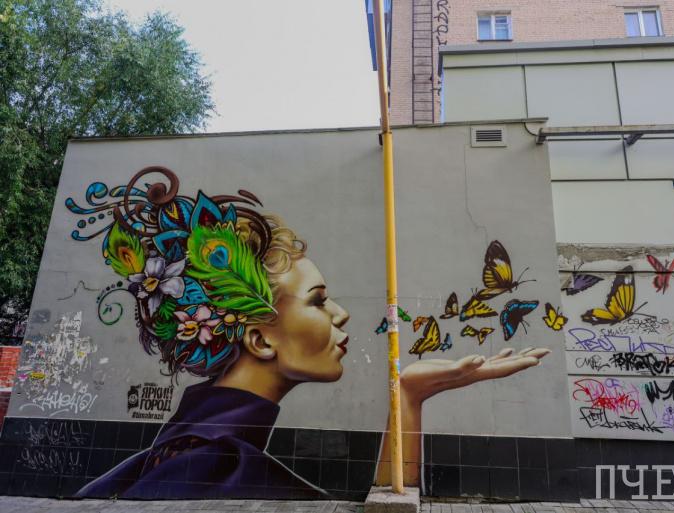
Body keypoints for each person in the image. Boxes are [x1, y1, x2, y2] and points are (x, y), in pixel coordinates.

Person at [68, 166, 550, 499]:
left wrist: (407, 394)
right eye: (318, 300)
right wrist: (408, 398)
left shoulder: (188, 444)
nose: (342, 315)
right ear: (260, 340)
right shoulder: (221, 467)